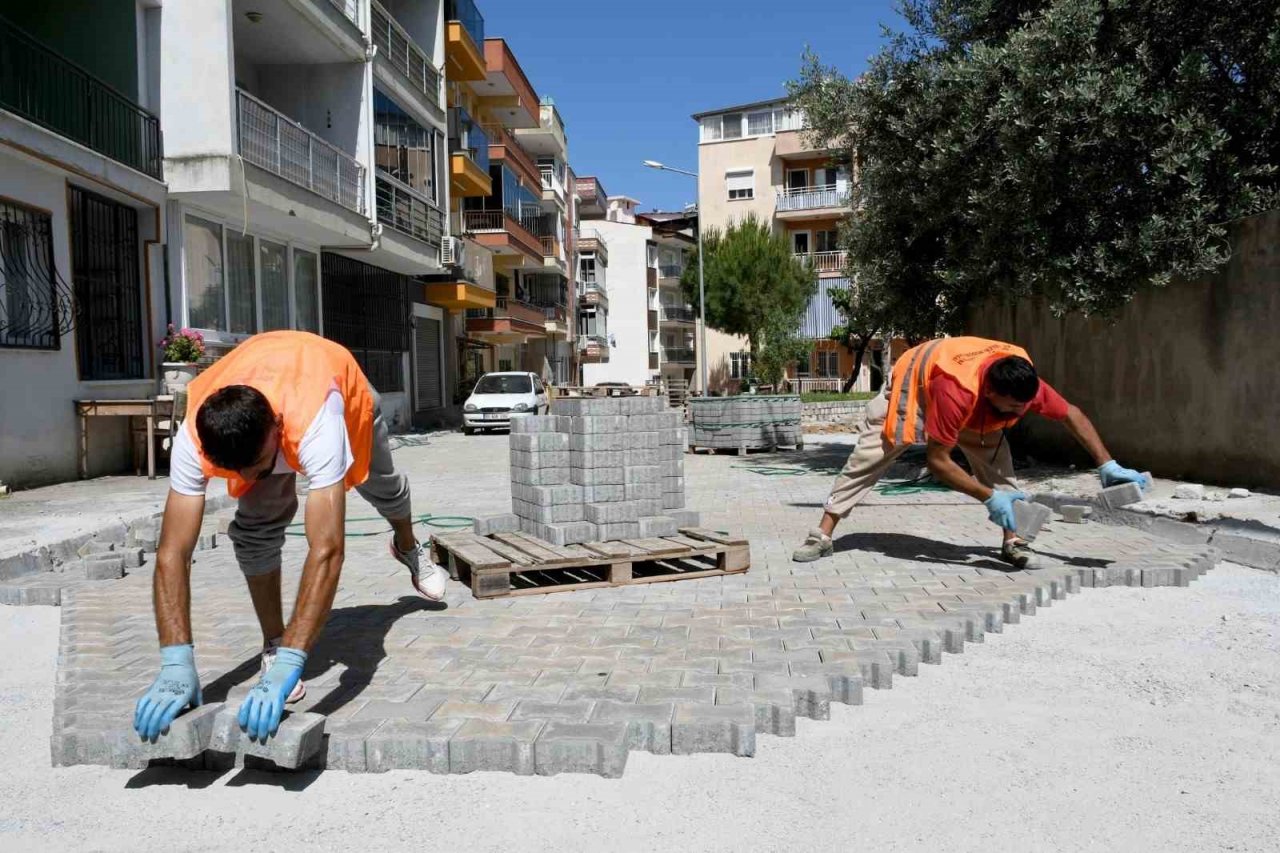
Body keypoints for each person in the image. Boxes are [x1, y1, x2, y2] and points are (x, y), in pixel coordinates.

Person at [132, 331, 448, 743]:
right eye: (235, 470)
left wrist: (292, 665)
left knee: (383, 487)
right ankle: (273, 640)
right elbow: (172, 551)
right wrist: (175, 660)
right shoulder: (195, 435)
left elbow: (327, 549)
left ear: (278, 429)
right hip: (270, 397)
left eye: (258, 463)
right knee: (255, 527)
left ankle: (406, 545)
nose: (246, 478)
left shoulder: (320, 420)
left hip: (340, 390)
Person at [792, 336, 1148, 568]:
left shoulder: (1021, 385)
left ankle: (1014, 542)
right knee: (868, 459)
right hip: (913, 387)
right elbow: (938, 461)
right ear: (990, 392)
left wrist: (1107, 464)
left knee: (1000, 468)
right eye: (1010, 408)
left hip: (971, 405)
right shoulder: (955, 391)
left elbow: (1072, 414)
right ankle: (822, 534)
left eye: (1021, 408)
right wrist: (988, 498)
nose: (1016, 415)